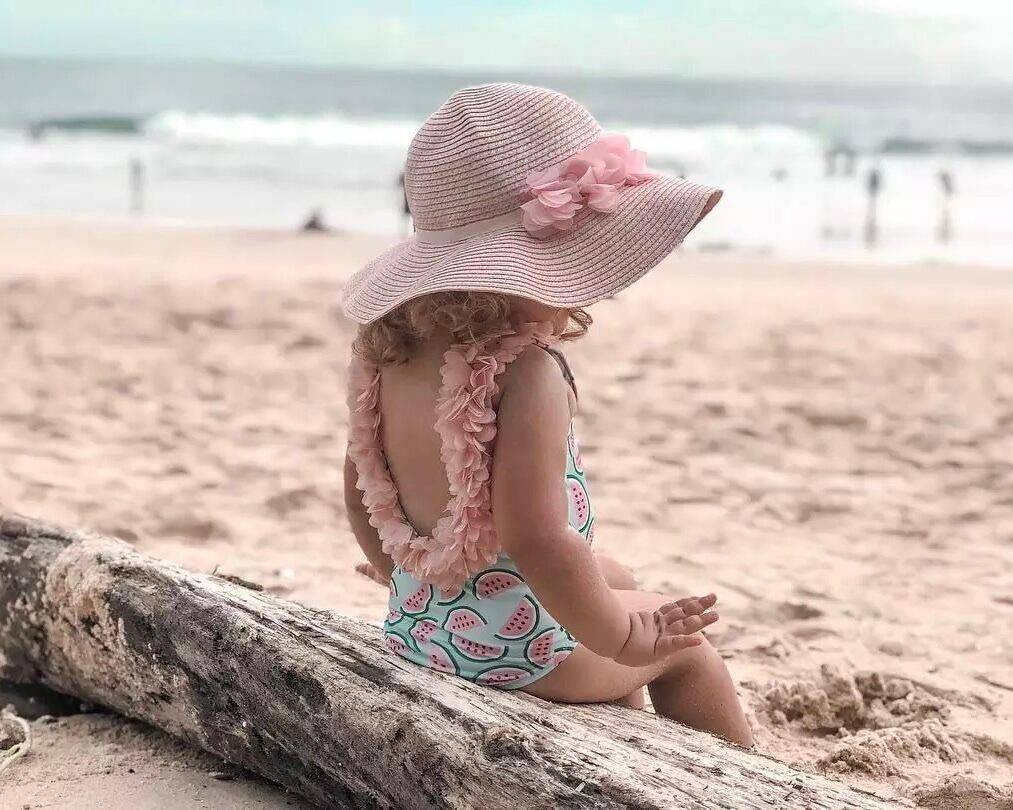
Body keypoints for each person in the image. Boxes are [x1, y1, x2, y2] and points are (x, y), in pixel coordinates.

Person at [341, 84, 752, 747]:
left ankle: (621, 720)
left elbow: (362, 491)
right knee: (684, 648)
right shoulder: (526, 373)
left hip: (424, 626)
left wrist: (402, 572)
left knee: (616, 577)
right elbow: (535, 537)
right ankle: (744, 780)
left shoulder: (385, 359)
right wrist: (623, 638)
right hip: (516, 656)